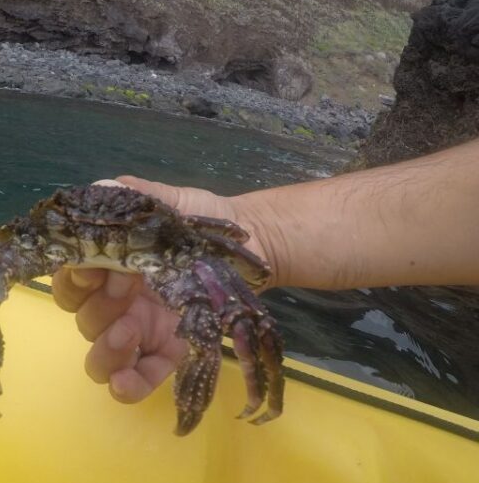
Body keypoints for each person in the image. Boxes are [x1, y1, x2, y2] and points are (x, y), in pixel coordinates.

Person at [51, 137, 479, 406]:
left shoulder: (191, 235)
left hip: (176, 251)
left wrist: (254, 236)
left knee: (244, 315)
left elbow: (225, 236)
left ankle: (261, 394)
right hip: (166, 257)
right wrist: (259, 231)